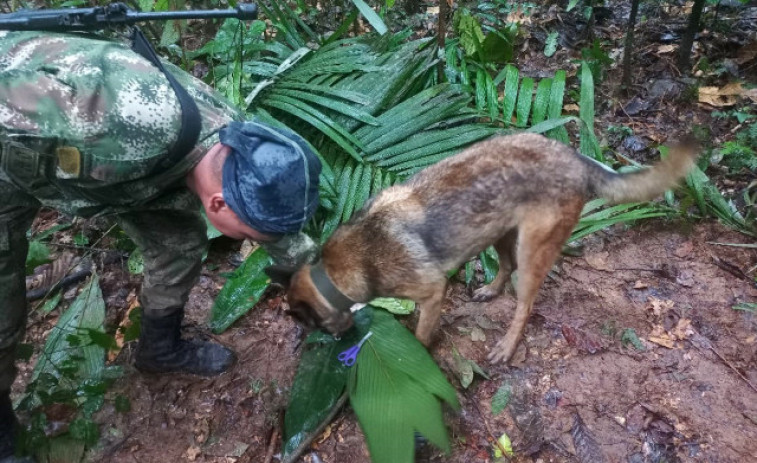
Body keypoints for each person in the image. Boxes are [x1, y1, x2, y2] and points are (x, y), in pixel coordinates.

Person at [0, 30, 321, 462]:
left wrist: (327, 287)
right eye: (247, 236)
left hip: (122, 177)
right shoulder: (117, 124)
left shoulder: (236, 148)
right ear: (219, 202)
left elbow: (276, 232)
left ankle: (159, 349)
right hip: (13, 153)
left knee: (180, 243)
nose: (251, 242)